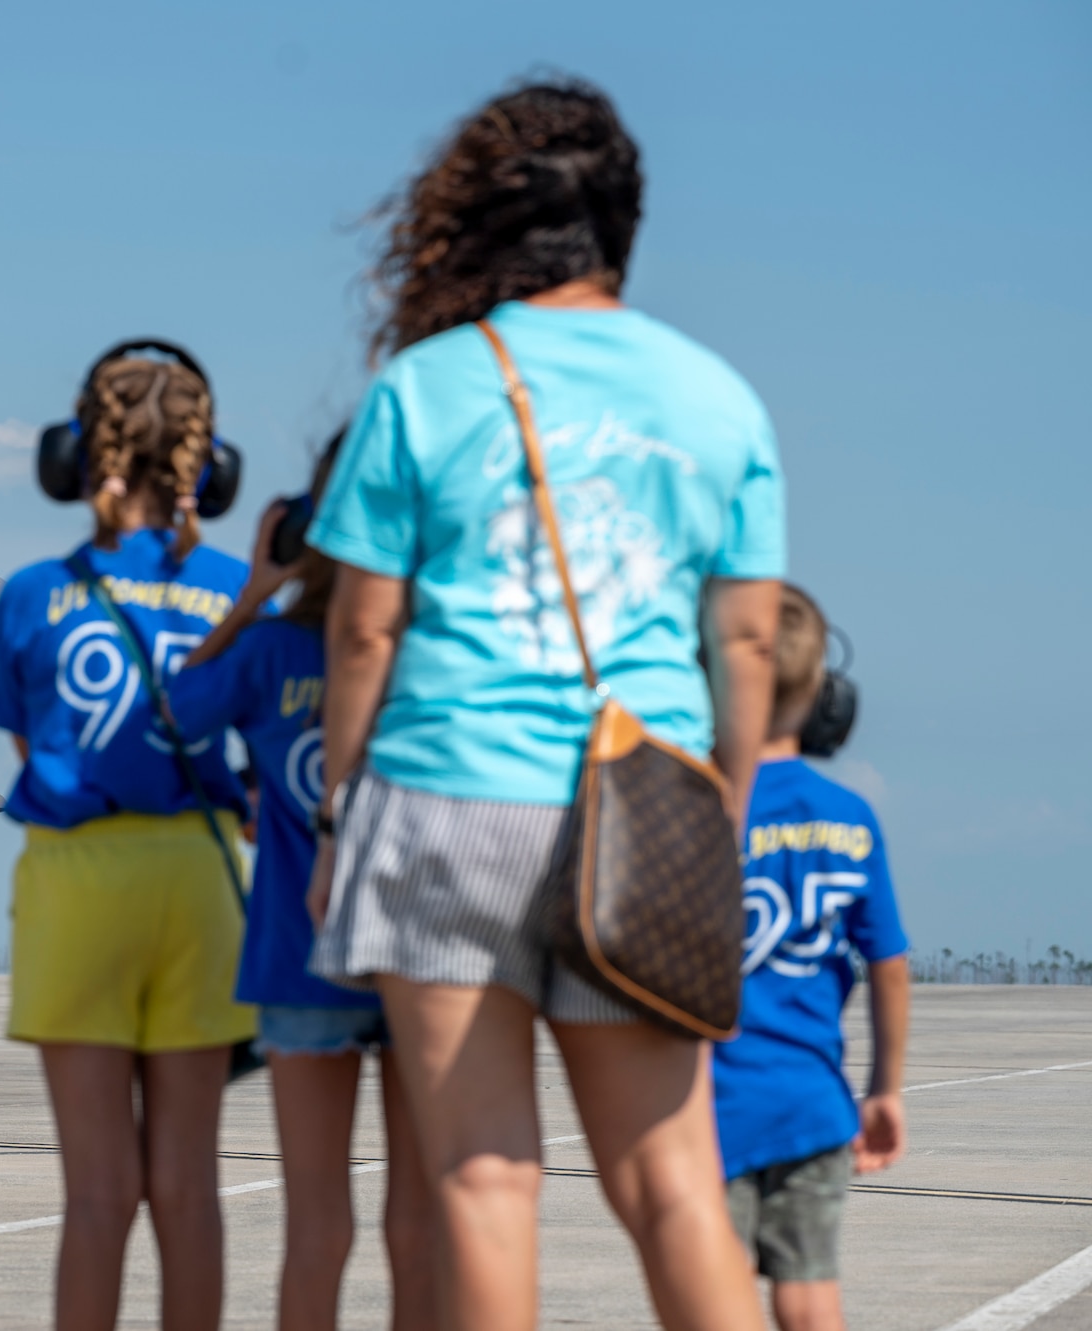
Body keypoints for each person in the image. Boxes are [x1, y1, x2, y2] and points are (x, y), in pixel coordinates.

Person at [306, 79, 783, 1327]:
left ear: (480, 224)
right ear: (622, 224)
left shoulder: (425, 386)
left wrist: (338, 807)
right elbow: (742, 633)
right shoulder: (718, 397)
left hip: (448, 790)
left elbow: (361, 627)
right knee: (670, 1178)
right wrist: (724, 801)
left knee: (482, 1173)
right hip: (641, 801)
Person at [114, 434, 433, 1331]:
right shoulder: (432, 646)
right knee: (419, 1223)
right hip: (417, 949)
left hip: (302, 955)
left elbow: (168, 714)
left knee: (317, 1228)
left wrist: (256, 592)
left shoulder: (265, 652)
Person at [0, 347, 256, 1331]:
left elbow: (25, 737)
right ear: (206, 463)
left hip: (78, 883)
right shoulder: (233, 591)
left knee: (96, 1195)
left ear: (75, 456)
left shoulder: (28, 596)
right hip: (200, 882)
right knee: (188, 1187)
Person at [714, 585, 909, 1331]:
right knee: (809, 1290)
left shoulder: (702, 803)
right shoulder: (851, 819)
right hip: (815, 1104)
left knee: (718, 1288)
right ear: (826, 700)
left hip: (710, 1104)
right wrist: (883, 1088)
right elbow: (888, 962)